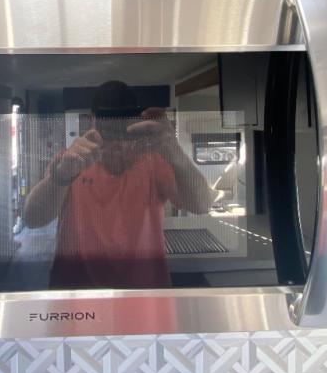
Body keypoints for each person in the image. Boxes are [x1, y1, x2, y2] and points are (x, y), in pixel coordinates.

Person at [24, 80, 213, 288]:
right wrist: (60, 177)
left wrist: (175, 153)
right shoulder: (71, 161)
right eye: (109, 127)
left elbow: (202, 205)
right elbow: (32, 219)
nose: (116, 142)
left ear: (135, 123)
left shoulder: (156, 161)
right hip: (77, 292)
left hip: (144, 293)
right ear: (93, 121)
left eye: (122, 128)